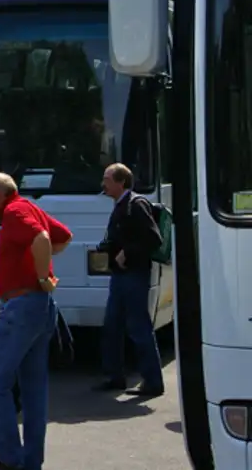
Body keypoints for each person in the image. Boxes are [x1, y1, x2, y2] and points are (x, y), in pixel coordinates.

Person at [0, 172, 71, 470]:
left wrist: (43, 275)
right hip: (39, 306)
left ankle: (8, 459)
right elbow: (62, 236)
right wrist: (38, 266)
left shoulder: (14, 211)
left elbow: (42, 238)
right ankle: (30, 461)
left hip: (21, 306)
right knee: (33, 388)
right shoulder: (29, 206)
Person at [93, 162, 165, 396]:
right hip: (120, 276)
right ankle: (114, 377)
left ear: (120, 182)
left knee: (138, 327)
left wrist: (128, 253)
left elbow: (154, 239)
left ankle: (153, 381)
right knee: (112, 327)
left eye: (107, 178)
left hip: (134, 275)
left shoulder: (136, 204)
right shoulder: (120, 205)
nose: (103, 183)